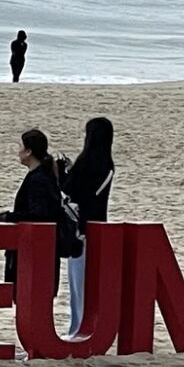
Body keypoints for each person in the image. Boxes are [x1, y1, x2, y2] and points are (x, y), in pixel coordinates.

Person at [59, 117, 115, 337]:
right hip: (99, 223)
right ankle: (82, 326)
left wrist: (64, 171)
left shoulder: (87, 162)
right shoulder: (106, 163)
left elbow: (71, 189)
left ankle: (78, 327)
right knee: (87, 283)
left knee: (78, 284)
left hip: (80, 228)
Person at [0, 128, 62, 298]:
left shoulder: (38, 180)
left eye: (20, 146)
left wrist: (9, 217)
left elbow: (39, 215)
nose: (18, 151)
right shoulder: (45, 176)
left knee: (31, 299)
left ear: (29, 151)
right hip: (41, 252)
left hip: (35, 254)